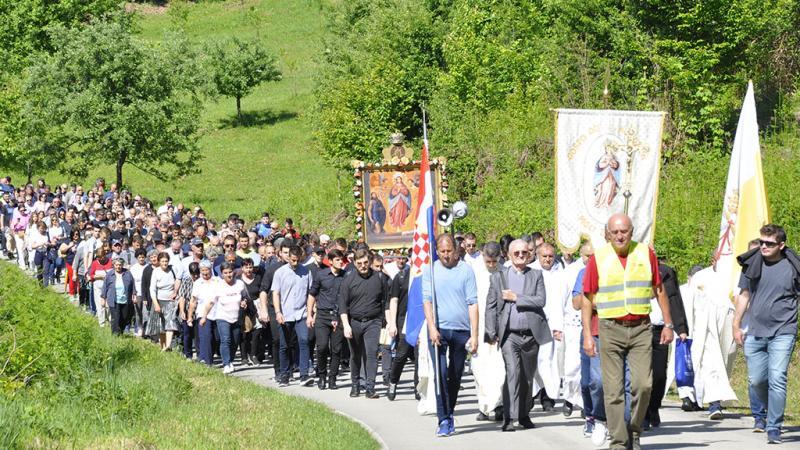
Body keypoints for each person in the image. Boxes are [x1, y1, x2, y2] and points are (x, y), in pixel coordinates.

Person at [581, 214, 674, 450]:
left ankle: (634, 431)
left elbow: (659, 289)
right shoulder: (598, 258)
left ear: (632, 232)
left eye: (624, 231)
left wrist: (668, 324)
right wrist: (587, 336)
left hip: (641, 328)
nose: (620, 236)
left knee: (643, 385)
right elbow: (587, 298)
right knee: (613, 391)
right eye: (615, 232)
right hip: (610, 329)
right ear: (608, 234)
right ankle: (619, 442)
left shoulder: (645, 253)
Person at [733, 224, 800, 445]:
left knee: (778, 377)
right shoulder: (752, 264)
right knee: (756, 381)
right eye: (761, 242)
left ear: (781, 245)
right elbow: (743, 295)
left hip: (784, 330)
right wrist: (736, 324)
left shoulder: (793, 267)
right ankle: (772, 409)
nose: (764, 246)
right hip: (755, 331)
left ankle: (774, 426)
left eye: (769, 243)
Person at [485, 239, 549, 432]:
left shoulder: (536, 275)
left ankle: (523, 414)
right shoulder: (499, 276)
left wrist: (517, 298)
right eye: (517, 253)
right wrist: (490, 331)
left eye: (524, 253)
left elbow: (541, 300)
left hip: (531, 335)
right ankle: (509, 417)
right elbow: (491, 305)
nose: (521, 256)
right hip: (509, 336)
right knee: (513, 372)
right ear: (509, 255)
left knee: (527, 378)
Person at [422, 233, 478, 437]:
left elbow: (473, 303)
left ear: (456, 251)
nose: (446, 255)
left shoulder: (466, 271)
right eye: (442, 251)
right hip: (439, 330)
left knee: (455, 376)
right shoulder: (431, 270)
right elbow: (427, 300)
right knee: (441, 374)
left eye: (449, 251)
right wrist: (431, 328)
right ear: (437, 251)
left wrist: (475, 334)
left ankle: (450, 412)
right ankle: (443, 419)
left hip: (461, 331)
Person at [339, 248, 388, 399]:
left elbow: (386, 302)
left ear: (371, 261)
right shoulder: (348, 279)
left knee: (372, 354)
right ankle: (355, 385)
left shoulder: (380, 278)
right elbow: (342, 304)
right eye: (359, 263)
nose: (363, 266)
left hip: (373, 321)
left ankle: (370, 387)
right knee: (355, 355)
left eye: (366, 262)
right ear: (354, 263)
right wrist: (346, 325)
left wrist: (389, 323)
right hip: (354, 322)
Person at [271, 245, 314, 387]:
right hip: (286, 314)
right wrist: (278, 312)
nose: (295, 263)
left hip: (301, 314)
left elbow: (310, 294)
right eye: (293, 260)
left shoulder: (306, 272)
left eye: (297, 260)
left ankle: (304, 375)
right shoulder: (280, 273)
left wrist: (310, 314)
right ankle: (284, 375)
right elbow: (275, 293)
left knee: (304, 341)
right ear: (288, 257)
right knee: (285, 345)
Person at [307, 249, 346, 390]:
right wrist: (310, 315)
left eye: (341, 259)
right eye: (337, 259)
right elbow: (312, 295)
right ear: (330, 261)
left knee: (336, 349)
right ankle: (322, 375)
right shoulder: (321, 275)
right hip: (322, 315)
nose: (340, 262)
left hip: (339, 316)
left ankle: (332, 378)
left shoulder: (346, 276)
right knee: (322, 347)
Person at [200, 262, 247, 374]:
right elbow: (210, 303)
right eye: (225, 273)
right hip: (222, 316)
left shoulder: (240, 284)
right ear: (221, 274)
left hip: (236, 317)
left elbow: (245, 297)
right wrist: (204, 316)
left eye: (230, 272)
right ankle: (226, 364)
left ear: (234, 272)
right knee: (226, 340)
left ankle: (230, 360)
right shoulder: (218, 286)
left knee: (235, 341)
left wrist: (244, 302)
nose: (228, 275)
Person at [386, 252, 418, 401]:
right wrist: (392, 323)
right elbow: (393, 300)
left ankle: (419, 387)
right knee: (401, 355)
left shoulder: (424, 276)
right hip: (404, 321)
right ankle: (393, 382)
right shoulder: (401, 277)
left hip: (420, 321)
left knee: (419, 356)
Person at [147, 252, 181, 351]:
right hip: (159, 300)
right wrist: (156, 304)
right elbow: (152, 289)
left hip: (170, 301)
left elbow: (178, 280)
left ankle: (168, 345)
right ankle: (163, 346)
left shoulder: (172, 270)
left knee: (170, 323)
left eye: (166, 261)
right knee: (161, 325)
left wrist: (175, 292)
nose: (165, 263)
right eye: (162, 261)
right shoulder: (156, 272)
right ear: (159, 262)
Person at [191, 260, 219, 365]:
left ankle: (209, 355)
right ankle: (207, 362)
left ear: (210, 269)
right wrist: (190, 315)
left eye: (206, 270)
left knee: (216, 337)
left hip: (217, 312)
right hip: (202, 313)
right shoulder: (198, 283)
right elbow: (193, 301)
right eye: (202, 271)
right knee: (206, 336)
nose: (204, 273)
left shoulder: (218, 281)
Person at [101, 258, 136, 335]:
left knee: (125, 317)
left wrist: (134, 295)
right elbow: (105, 287)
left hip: (125, 299)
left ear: (122, 265)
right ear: (114, 265)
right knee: (115, 318)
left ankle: (120, 332)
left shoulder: (127, 273)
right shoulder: (109, 274)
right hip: (113, 300)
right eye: (116, 265)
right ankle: (115, 335)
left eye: (120, 265)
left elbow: (133, 284)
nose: (118, 267)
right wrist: (103, 298)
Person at [239, 258, 264, 366]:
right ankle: (244, 356)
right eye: (246, 267)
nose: (249, 270)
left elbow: (262, 292)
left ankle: (253, 355)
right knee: (244, 333)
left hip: (256, 307)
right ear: (242, 268)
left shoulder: (258, 278)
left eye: (250, 267)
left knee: (257, 331)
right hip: (244, 307)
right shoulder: (239, 280)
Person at [178, 262, 200, 360]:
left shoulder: (201, 280)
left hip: (199, 311)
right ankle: (188, 354)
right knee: (187, 334)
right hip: (187, 310)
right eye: (193, 274)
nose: (195, 276)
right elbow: (182, 297)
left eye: (197, 274)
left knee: (198, 335)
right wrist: (182, 311)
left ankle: (200, 355)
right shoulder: (186, 280)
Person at [89, 244, 113, 326]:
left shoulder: (110, 262)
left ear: (104, 255)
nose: (99, 259)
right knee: (100, 306)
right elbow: (90, 275)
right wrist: (98, 276)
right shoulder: (94, 263)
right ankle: (101, 324)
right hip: (98, 287)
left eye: (101, 257)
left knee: (108, 305)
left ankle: (110, 322)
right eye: (98, 257)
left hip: (109, 287)